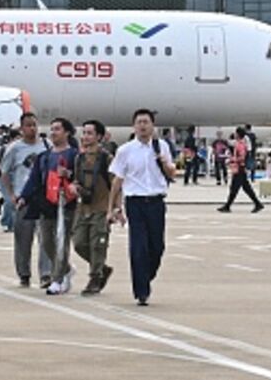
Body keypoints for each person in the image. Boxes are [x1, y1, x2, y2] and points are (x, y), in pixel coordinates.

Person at [108, 109, 177, 306]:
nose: (142, 125)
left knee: (157, 247)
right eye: (139, 122)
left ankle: (146, 276)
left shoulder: (161, 146)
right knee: (138, 247)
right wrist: (113, 207)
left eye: (146, 122)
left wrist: (165, 164)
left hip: (156, 201)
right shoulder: (125, 150)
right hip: (135, 202)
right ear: (134, 126)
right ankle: (141, 291)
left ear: (152, 125)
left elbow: (172, 173)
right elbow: (117, 181)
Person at [18, 118, 79, 295]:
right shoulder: (44, 157)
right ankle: (65, 268)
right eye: (52, 129)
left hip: (66, 204)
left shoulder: (74, 155)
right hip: (47, 203)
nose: (53, 132)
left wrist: (68, 174)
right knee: (46, 242)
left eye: (57, 129)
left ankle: (57, 279)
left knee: (62, 241)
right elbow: (34, 180)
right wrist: (24, 197)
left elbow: (80, 177)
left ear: (67, 132)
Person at [0, 113, 51, 287]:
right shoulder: (15, 149)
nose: (32, 128)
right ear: (21, 128)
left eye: (35, 125)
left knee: (45, 238)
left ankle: (46, 274)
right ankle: (24, 273)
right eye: (28, 125)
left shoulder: (46, 145)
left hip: (44, 198)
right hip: (24, 199)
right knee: (23, 239)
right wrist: (11, 195)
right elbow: (5, 173)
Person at [72, 120, 115, 295]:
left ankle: (95, 277)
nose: (85, 137)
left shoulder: (106, 158)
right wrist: (74, 187)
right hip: (83, 208)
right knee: (79, 243)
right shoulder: (79, 158)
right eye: (84, 133)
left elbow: (116, 184)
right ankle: (102, 268)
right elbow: (76, 179)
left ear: (99, 137)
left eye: (90, 133)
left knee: (98, 244)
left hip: (102, 207)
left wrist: (115, 209)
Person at [218, 127, 265, 213]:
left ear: (238, 134)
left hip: (239, 168)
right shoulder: (239, 144)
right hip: (239, 168)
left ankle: (227, 206)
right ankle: (257, 204)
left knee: (235, 188)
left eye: (236, 133)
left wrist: (232, 160)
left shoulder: (240, 145)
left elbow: (242, 157)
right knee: (245, 188)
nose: (234, 135)